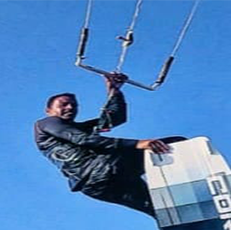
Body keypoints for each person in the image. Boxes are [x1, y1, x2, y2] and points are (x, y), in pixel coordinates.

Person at [34, 72, 185, 218]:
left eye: (74, 105)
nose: (70, 108)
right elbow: (83, 140)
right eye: (63, 104)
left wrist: (114, 90)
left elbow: (116, 118)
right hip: (103, 169)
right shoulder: (46, 123)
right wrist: (137, 144)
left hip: (95, 186)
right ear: (48, 110)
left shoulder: (79, 128)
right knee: (176, 143)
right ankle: (191, 182)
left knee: (160, 209)